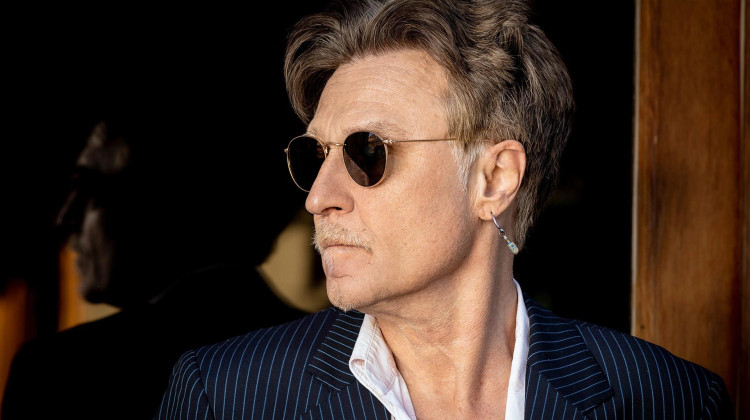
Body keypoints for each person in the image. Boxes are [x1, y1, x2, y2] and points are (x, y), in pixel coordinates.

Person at [155, 0, 735, 419]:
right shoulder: (225, 396)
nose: (317, 197)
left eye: (367, 152)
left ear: (494, 179)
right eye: (314, 156)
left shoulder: (669, 399)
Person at [1, 41, 307, 419]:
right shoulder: (342, 357)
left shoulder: (58, 375)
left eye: (88, 185)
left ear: (162, 192)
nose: (66, 218)